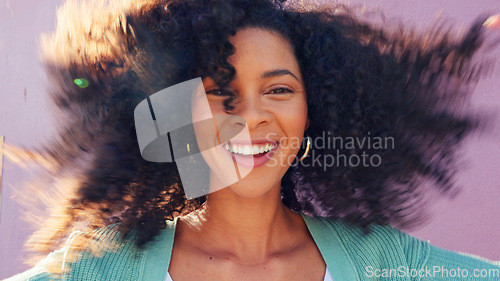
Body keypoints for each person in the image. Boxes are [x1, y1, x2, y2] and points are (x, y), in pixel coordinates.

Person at [3, 0, 500, 280]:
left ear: (316, 111)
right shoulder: (98, 271)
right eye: (221, 93)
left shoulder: (389, 265)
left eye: (278, 89)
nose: (253, 118)